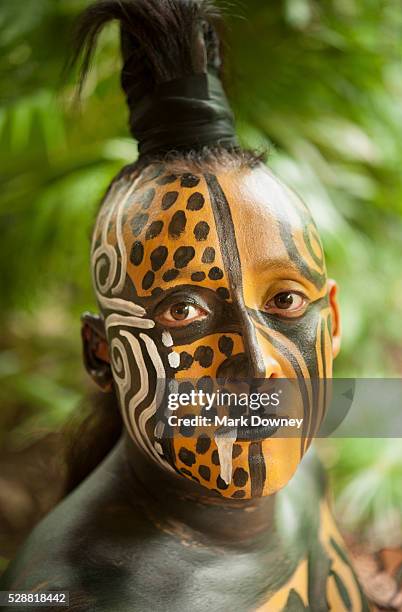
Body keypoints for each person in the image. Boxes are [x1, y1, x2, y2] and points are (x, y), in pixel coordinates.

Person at [0, 1, 370, 609]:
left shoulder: (301, 474)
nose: (257, 366)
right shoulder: (69, 598)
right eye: (184, 313)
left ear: (330, 322)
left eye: (284, 300)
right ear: (104, 356)